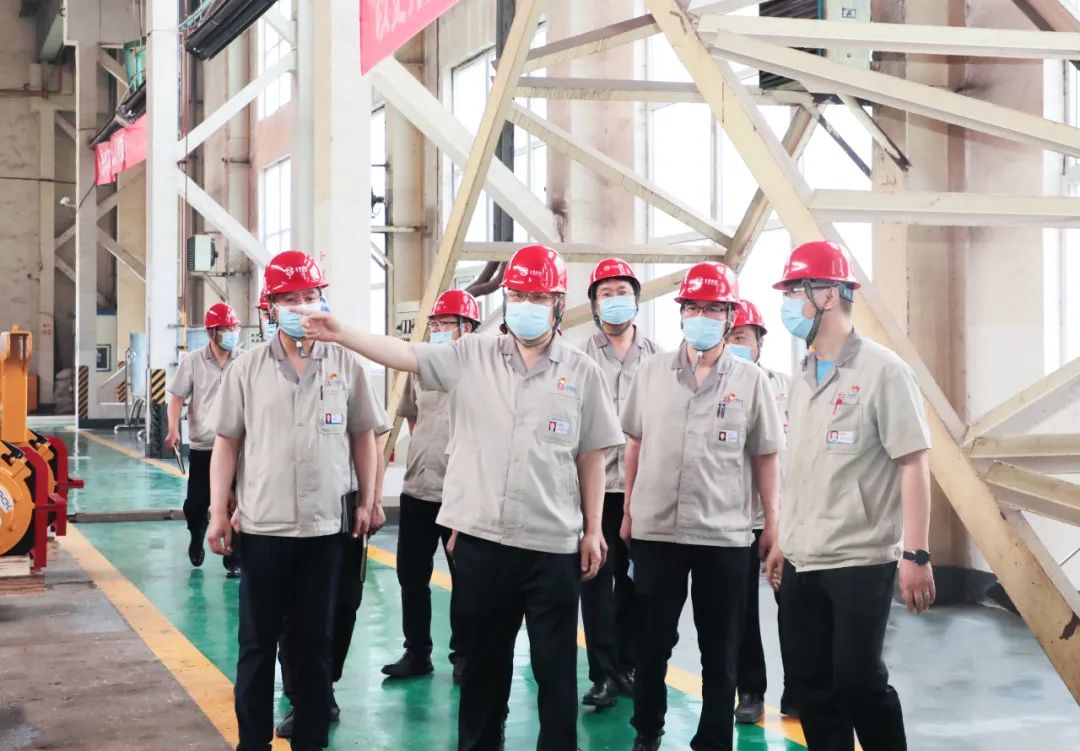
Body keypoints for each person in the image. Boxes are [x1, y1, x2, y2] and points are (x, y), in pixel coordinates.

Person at [295, 244, 624, 751]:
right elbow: (405, 354)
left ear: (558, 303)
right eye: (518, 295)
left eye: (538, 297)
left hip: (551, 545)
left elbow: (591, 456)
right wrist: (343, 333)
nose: (527, 306)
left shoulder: (582, 372)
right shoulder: (470, 356)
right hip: (482, 543)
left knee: (555, 672)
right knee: (482, 672)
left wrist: (594, 529)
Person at [206, 250, 386, 751]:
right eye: (290, 298)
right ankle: (252, 743)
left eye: (310, 295)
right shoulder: (246, 369)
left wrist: (369, 500)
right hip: (263, 529)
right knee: (257, 647)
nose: (302, 306)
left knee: (314, 645)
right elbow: (227, 442)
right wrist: (218, 511)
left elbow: (364, 436)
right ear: (270, 306)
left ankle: (310, 740)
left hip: (325, 531)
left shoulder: (345, 364)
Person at [773, 240, 934, 751]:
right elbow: (800, 470)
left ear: (826, 294)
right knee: (811, 685)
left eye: (794, 291)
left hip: (859, 558)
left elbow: (913, 462)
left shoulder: (884, 372)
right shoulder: (801, 377)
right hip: (802, 558)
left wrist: (916, 554)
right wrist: (781, 540)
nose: (787, 303)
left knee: (858, 681)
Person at [619, 262, 783, 751]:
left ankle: (713, 740)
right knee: (652, 641)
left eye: (713, 309)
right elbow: (634, 443)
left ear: (730, 316)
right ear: (681, 313)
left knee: (720, 648)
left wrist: (772, 522)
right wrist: (628, 511)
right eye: (693, 307)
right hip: (657, 530)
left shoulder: (750, 381)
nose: (702, 317)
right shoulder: (651, 372)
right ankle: (647, 730)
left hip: (724, 533)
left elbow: (766, 455)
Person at [382, 289, 480, 682]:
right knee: (411, 575)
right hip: (419, 488)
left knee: (466, 580)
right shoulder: (420, 367)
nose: (437, 329)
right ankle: (417, 652)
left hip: (462, 494)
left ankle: (464, 654)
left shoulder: (479, 370)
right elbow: (411, 417)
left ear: (467, 327)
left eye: (445, 323)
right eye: (434, 323)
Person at [275, 421, 391, 739]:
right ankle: (305, 699)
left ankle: (324, 685)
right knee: (294, 609)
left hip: (345, 507)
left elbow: (374, 441)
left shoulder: (352, 386)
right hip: (292, 504)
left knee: (344, 604)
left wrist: (374, 501)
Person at [578, 258, 657, 709]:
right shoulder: (579, 358)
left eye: (622, 292)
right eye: (605, 293)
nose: (614, 300)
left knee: (637, 583)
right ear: (593, 304)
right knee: (596, 580)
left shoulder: (660, 359)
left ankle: (627, 663)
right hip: (596, 491)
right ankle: (603, 673)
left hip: (644, 490)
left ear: (637, 300)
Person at [725, 299, 797, 723]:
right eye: (729, 336)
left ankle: (799, 688)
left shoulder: (788, 387)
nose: (735, 344)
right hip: (736, 517)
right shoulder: (718, 387)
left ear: (759, 342)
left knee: (795, 603)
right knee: (742, 611)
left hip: (786, 518)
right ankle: (750, 691)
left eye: (742, 337)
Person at [166, 302, 244, 576]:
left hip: (237, 447)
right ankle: (197, 534)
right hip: (204, 446)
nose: (232, 333)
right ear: (211, 333)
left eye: (234, 327)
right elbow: (176, 397)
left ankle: (234, 559)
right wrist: (173, 429)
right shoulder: (193, 362)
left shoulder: (245, 360)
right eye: (226, 329)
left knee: (238, 504)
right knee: (196, 505)